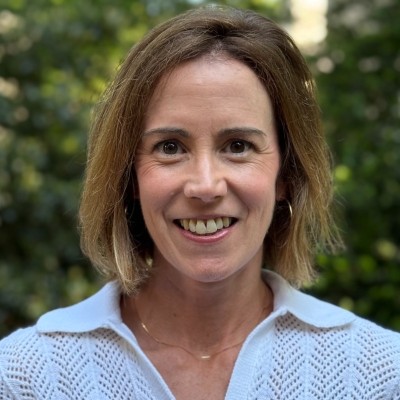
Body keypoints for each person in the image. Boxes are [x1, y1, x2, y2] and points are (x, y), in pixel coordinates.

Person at [0, 5, 399, 400]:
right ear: (130, 176)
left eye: (238, 146)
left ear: (286, 175)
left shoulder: (376, 376)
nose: (205, 186)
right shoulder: (26, 378)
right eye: (170, 147)